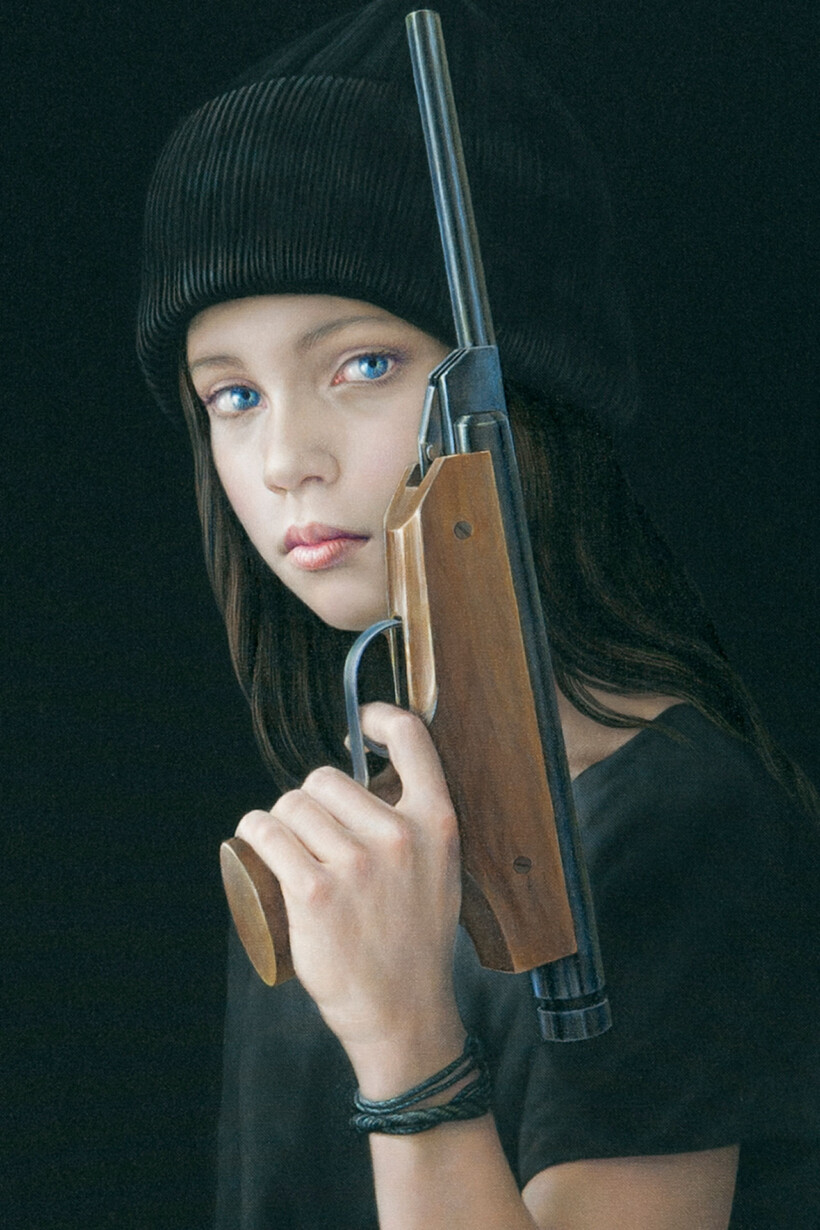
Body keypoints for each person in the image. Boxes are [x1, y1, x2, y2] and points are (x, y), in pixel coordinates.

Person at [137, 1, 820, 1226]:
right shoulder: (339, 840)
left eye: (363, 365)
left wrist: (407, 1047)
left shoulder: (673, 824)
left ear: (517, 404)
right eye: (232, 395)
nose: (286, 458)